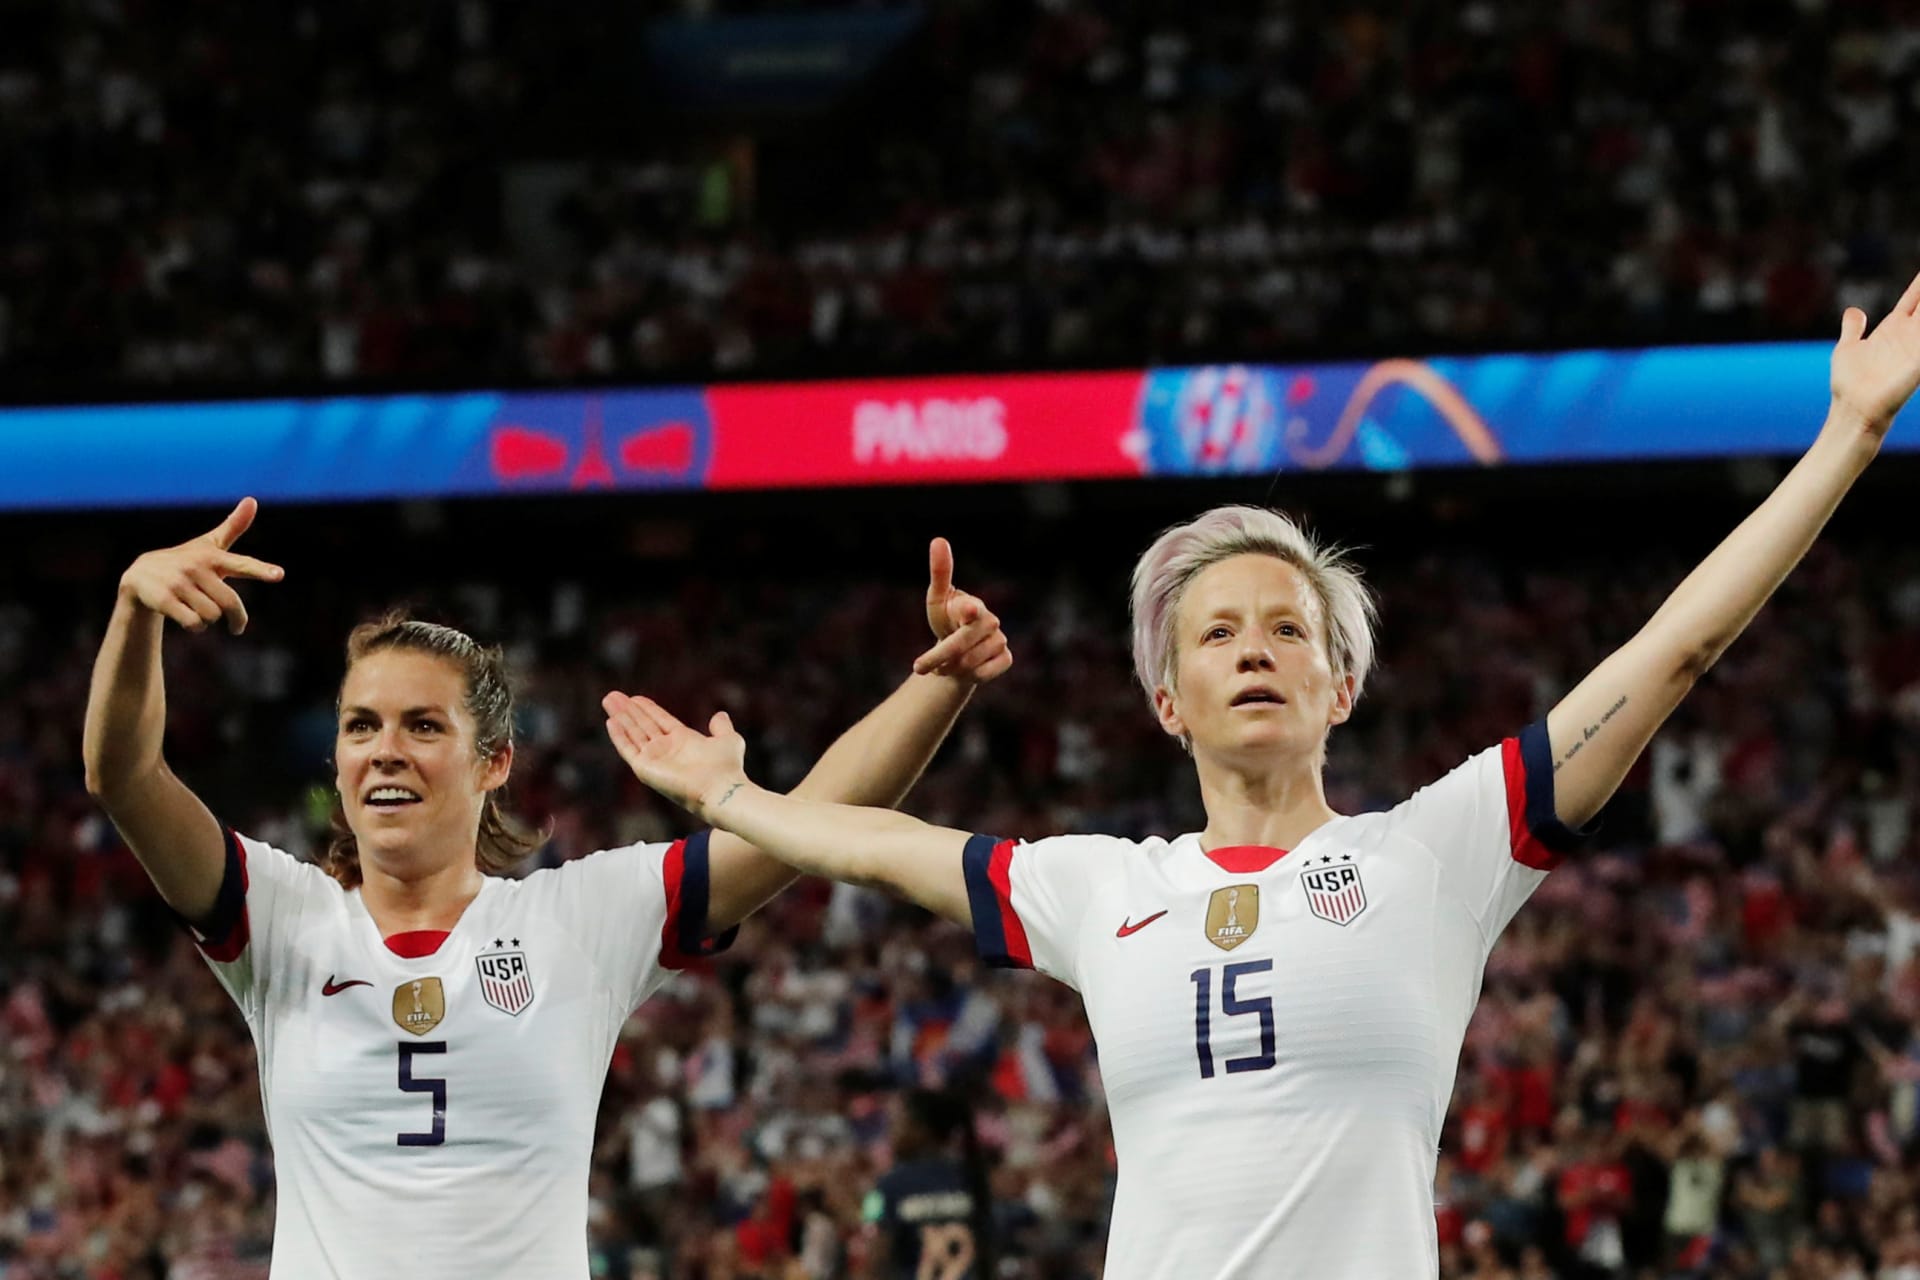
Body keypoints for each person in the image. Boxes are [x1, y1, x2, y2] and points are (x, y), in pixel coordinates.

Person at [600, 274, 1920, 1277]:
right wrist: (729, 801)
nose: (1255, 651)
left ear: (1341, 687)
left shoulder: (1436, 856)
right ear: (1166, 701)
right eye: (1217, 632)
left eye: (1291, 628)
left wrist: (1847, 438)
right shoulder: (1097, 888)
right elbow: (871, 846)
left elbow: (1671, 654)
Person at [80, 501, 1012, 1280]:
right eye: (362, 725)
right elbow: (125, 775)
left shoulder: (578, 921)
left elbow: (809, 828)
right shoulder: (283, 922)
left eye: (422, 725)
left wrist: (943, 684)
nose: (386, 749)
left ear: (494, 763)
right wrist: (135, 615)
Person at [861, 1089, 996, 1280]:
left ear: (920, 1129)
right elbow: (989, 1249)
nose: (889, 1133)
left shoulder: (886, 1186)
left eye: (895, 1123)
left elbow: (876, 1254)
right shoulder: (974, 1177)